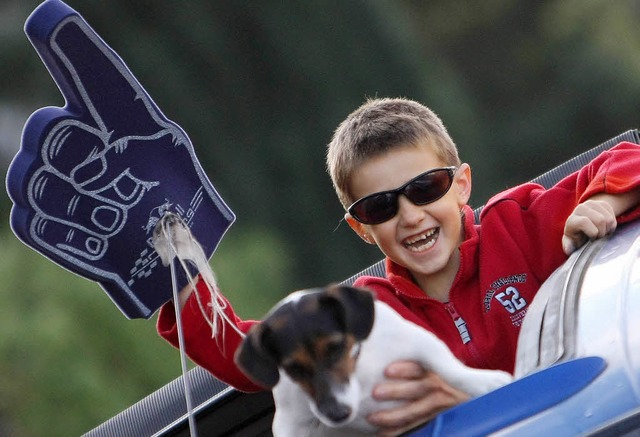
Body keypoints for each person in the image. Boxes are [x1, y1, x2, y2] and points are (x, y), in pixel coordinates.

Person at [158, 97, 640, 436]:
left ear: (462, 184)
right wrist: (169, 265)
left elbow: (627, 158)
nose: (410, 215)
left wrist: (602, 201)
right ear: (361, 228)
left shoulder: (520, 224)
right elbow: (243, 350)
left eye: (427, 188)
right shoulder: (365, 313)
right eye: (380, 207)